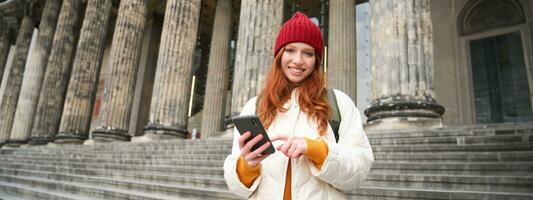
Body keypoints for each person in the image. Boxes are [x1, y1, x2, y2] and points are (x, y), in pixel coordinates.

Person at [223, 11, 374, 200]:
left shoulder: (339, 103)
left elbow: (358, 172)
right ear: (279, 55)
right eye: (290, 50)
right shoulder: (254, 106)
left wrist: (317, 150)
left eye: (308, 53)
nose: (298, 60)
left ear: (317, 59)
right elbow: (234, 185)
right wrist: (246, 165)